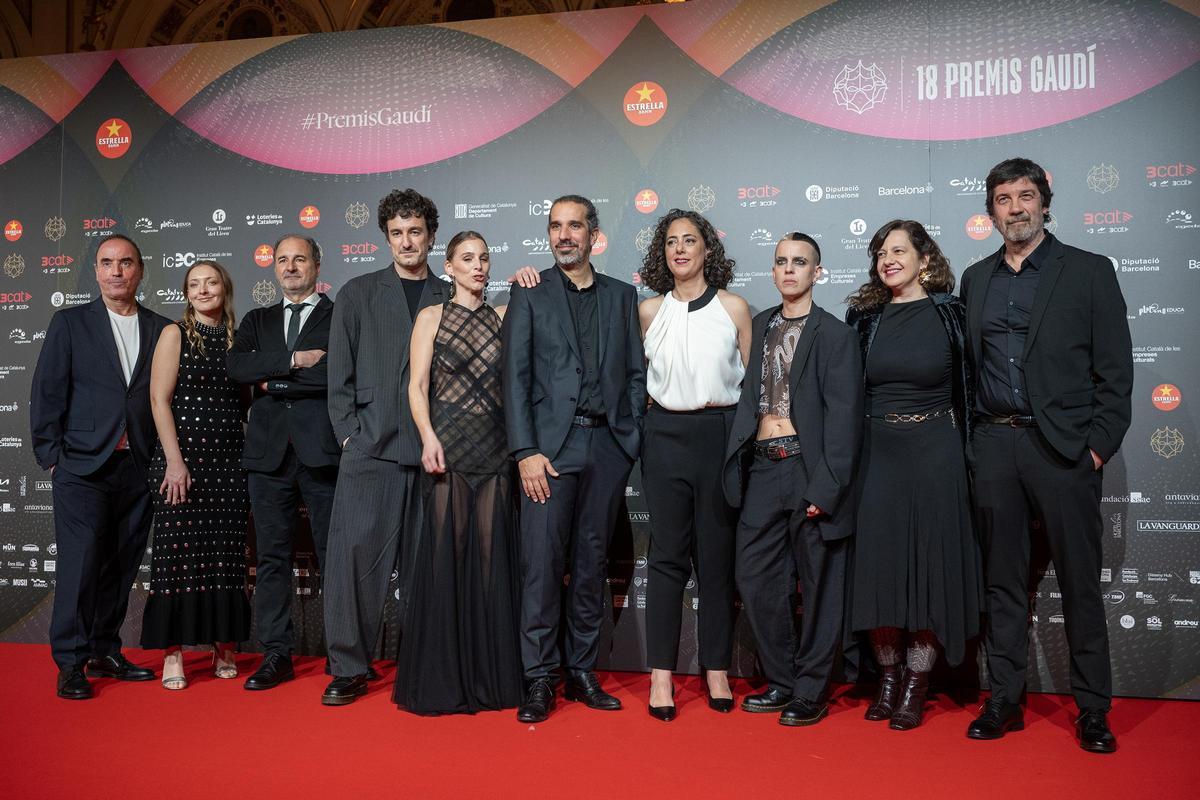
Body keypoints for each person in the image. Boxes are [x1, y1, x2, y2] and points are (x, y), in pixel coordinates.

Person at [961, 158, 1132, 753]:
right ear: (990, 212)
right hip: (995, 445)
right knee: (1002, 583)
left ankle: (1092, 710)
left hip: (1063, 451)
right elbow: (968, 371)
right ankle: (1004, 699)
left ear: (1044, 201)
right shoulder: (975, 278)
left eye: (1025, 195)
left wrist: (1096, 450)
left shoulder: (1088, 271)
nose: (1016, 208)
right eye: (1004, 199)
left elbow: (1115, 373)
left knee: (1081, 585)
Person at [502, 194, 646, 723]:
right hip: (548, 452)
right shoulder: (530, 293)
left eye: (575, 226)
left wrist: (626, 440)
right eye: (555, 226)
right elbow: (513, 380)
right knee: (541, 566)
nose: (564, 235)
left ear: (593, 234)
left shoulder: (621, 296)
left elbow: (635, 375)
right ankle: (539, 677)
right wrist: (525, 451)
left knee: (591, 565)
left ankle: (582, 670)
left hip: (606, 448)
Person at [844, 219, 982, 730]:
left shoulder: (951, 314)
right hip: (877, 453)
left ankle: (917, 685)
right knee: (881, 567)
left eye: (899, 250)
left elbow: (971, 388)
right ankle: (887, 677)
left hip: (935, 450)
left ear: (925, 259)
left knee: (927, 569)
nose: (888, 259)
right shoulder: (863, 318)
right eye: (881, 251)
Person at [723, 232, 862, 727]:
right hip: (762, 464)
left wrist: (825, 486)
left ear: (816, 272)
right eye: (781, 261)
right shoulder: (758, 326)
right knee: (756, 577)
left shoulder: (837, 335)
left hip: (807, 466)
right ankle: (781, 679)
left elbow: (846, 420)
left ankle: (811, 689)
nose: (788, 270)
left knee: (820, 582)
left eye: (799, 262)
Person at [321, 189, 450, 705]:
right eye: (396, 233)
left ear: (431, 235)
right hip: (370, 449)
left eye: (415, 231)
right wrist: (350, 435)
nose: (406, 242)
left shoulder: (451, 294)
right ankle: (349, 666)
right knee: (353, 561)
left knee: (428, 565)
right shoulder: (356, 292)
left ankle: (421, 663)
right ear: (386, 237)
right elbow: (338, 378)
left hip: (433, 454)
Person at [31, 234, 171, 699]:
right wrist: (52, 457)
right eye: (107, 263)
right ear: (95, 271)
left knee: (122, 562)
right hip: (82, 466)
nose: (116, 271)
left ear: (140, 269)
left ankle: (105, 648)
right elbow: (48, 391)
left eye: (125, 262)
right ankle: (70, 661)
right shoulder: (70, 323)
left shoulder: (161, 328)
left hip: (138, 465)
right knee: (80, 563)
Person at [394, 230, 522, 715]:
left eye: (484, 258)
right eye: (467, 258)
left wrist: (528, 283)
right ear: (448, 266)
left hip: (496, 449)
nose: (478, 265)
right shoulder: (431, 317)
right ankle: (444, 681)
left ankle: (490, 681)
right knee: (447, 556)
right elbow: (417, 386)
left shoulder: (505, 315)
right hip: (446, 447)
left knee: (491, 562)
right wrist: (427, 436)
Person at [637, 209, 751, 721]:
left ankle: (717, 669)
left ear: (708, 249)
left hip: (719, 435)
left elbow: (752, 389)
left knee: (716, 561)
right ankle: (661, 674)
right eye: (671, 243)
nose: (680, 249)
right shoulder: (647, 312)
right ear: (662, 255)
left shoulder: (734, 308)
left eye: (690, 240)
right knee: (665, 559)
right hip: (663, 436)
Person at [227, 234, 339, 691]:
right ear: (274, 268)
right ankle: (277, 654)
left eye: (300, 259)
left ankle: (344, 654)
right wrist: (294, 361)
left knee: (336, 558)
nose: (291, 267)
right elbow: (237, 368)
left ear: (317, 264)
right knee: (271, 558)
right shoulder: (257, 319)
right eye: (283, 260)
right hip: (268, 457)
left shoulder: (340, 316)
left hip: (323, 453)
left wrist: (275, 381)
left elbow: (338, 374)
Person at [139, 260, 250, 688]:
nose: (203, 291)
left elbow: (244, 404)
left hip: (228, 464)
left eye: (211, 283)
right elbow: (158, 399)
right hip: (180, 463)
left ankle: (224, 645)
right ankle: (173, 655)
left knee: (225, 560)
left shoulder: (237, 340)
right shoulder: (175, 334)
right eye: (194, 285)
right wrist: (174, 460)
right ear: (186, 293)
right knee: (175, 560)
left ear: (226, 287)